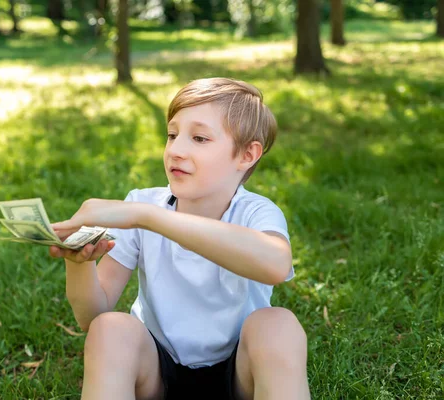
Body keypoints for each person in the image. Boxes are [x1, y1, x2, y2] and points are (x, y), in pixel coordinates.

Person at [50, 78, 311, 400]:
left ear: (247, 155)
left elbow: (275, 264)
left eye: (199, 138)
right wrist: (79, 263)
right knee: (111, 329)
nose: (176, 149)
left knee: (278, 324)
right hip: (158, 371)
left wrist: (147, 217)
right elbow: (93, 316)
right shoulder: (143, 203)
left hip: (239, 372)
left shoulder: (257, 212)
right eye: (172, 135)